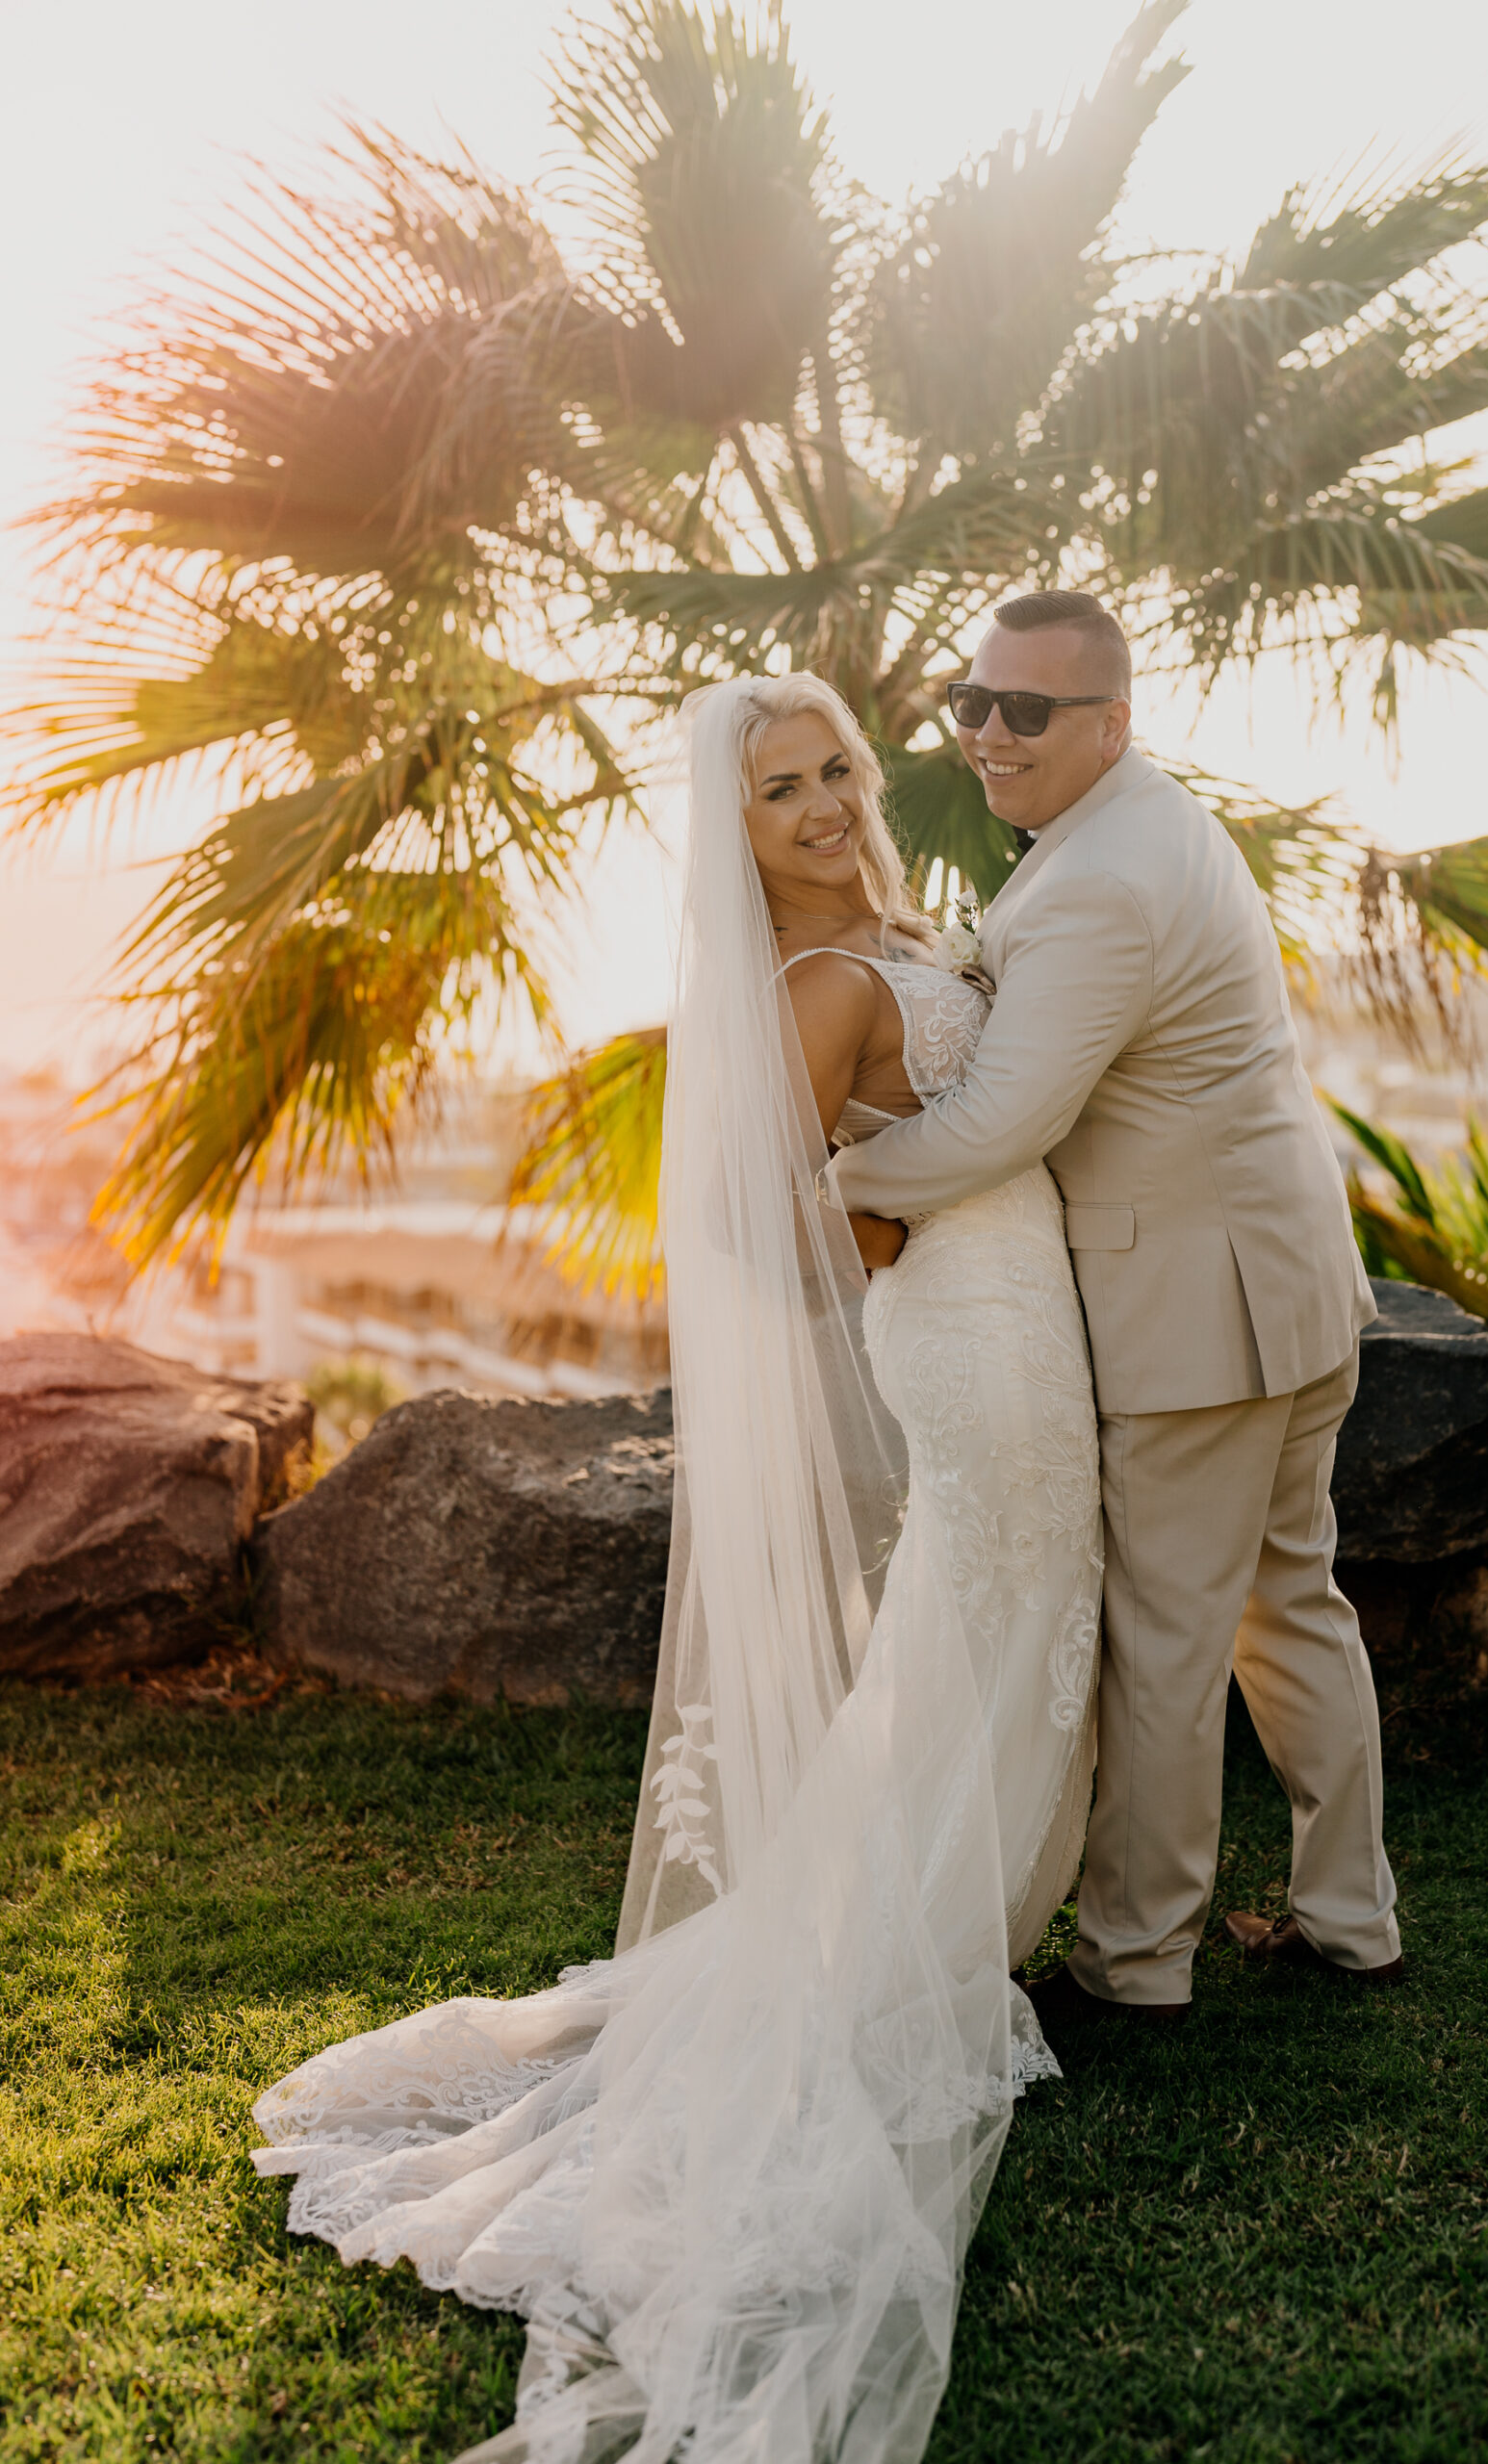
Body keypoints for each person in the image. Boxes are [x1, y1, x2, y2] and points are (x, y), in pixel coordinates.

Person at [251, 672, 1104, 2464]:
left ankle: (973, 1913)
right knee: (991, 1617)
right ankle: (918, 1945)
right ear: (732, 832)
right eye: (777, 789)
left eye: (834, 770)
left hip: (1036, 1331)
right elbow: (750, 1218)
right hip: (964, 1339)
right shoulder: (816, 985)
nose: (817, 804)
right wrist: (905, 1224)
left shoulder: (909, 929)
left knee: (1006, 1627)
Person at [827, 588, 1402, 2032]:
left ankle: (1137, 1962)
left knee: (1165, 1636)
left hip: (1195, 1312)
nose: (989, 734)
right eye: (975, 702)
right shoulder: (1143, 821)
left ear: (1112, 722)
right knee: (1292, 1603)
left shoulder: (1094, 882)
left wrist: (829, 1181)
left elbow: (1002, 1124)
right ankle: (1351, 1916)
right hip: (1281, 1282)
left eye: (1031, 711)